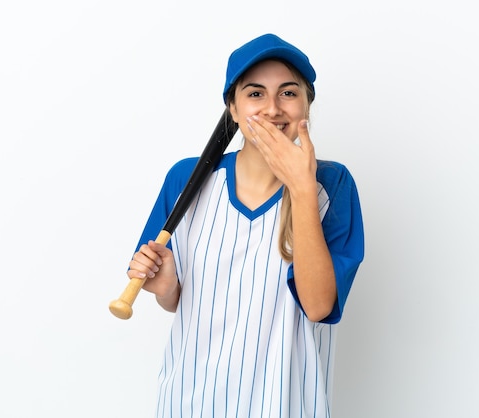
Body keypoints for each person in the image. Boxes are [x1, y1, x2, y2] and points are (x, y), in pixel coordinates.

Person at [127, 33, 365, 418]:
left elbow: (319, 305)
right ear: (233, 110)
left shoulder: (332, 186)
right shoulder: (186, 179)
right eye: (255, 94)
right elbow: (175, 299)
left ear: (306, 106)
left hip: (286, 405)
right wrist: (168, 288)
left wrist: (302, 188)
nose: (272, 109)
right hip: (188, 401)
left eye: (288, 93)